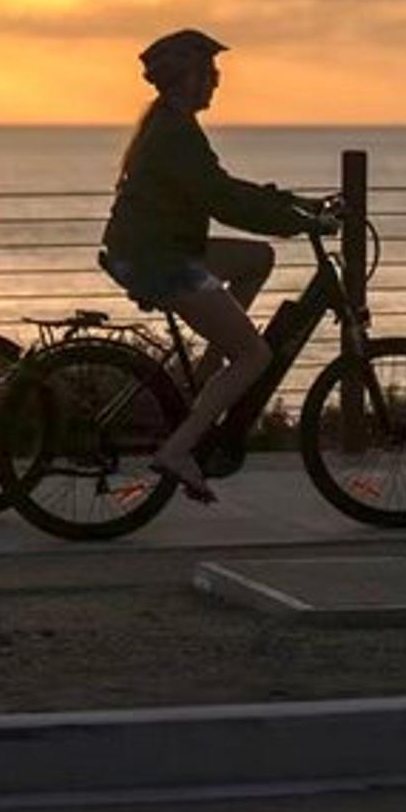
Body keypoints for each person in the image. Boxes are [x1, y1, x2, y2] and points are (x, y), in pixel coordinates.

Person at [100, 28, 328, 501]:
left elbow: (221, 185)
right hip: (160, 261)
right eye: (209, 73)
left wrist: (295, 203)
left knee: (257, 258)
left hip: (163, 248)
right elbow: (223, 201)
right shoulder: (175, 134)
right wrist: (299, 223)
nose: (217, 81)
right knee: (255, 356)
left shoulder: (174, 125)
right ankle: (177, 450)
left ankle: (205, 377)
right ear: (186, 79)